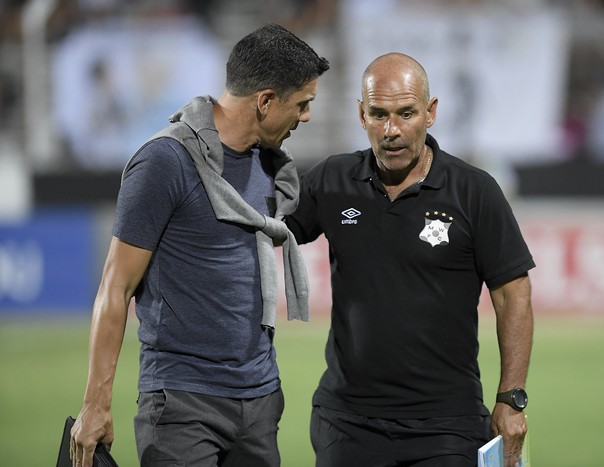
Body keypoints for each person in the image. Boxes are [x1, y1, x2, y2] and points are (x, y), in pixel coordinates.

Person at [70, 23, 329, 467]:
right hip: (182, 404)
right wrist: (95, 404)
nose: (305, 117)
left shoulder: (271, 164)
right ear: (265, 102)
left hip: (261, 399)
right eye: (301, 104)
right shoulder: (163, 162)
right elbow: (115, 288)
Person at [285, 52, 534, 467]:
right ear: (360, 115)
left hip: (447, 424)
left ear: (431, 112)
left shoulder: (474, 192)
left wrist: (511, 398)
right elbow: (262, 231)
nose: (392, 130)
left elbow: (513, 294)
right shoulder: (331, 181)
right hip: (347, 423)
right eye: (378, 114)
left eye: (406, 113)